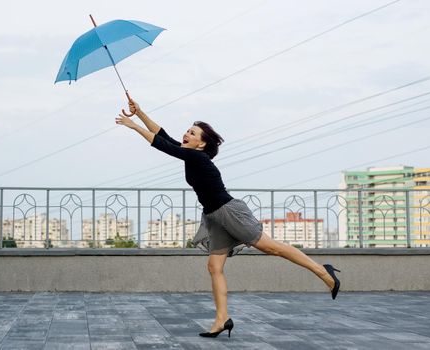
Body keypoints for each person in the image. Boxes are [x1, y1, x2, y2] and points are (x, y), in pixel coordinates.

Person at [115, 96, 341, 339]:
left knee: (273, 248)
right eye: (187, 131)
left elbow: (162, 144)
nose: (186, 134)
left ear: (201, 144)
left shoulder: (196, 157)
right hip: (214, 216)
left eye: (192, 133)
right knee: (214, 267)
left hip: (229, 212)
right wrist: (140, 113)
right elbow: (163, 135)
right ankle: (222, 319)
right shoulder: (189, 153)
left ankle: (323, 272)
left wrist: (134, 127)